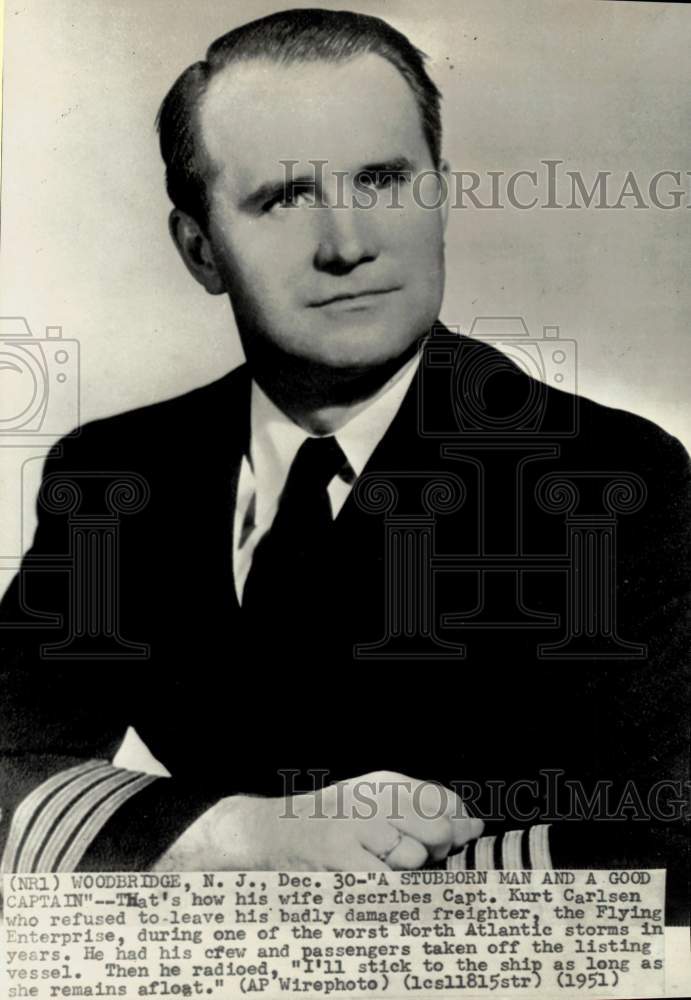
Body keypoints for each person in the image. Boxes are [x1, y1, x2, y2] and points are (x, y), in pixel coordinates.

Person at [0, 8, 688, 921]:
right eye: (284, 197)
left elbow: (669, 832)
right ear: (199, 248)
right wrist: (239, 838)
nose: (347, 243)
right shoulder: (119, 476)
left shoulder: (607, 477)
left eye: (383, 179)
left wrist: (341, 882)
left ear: (439, 194)